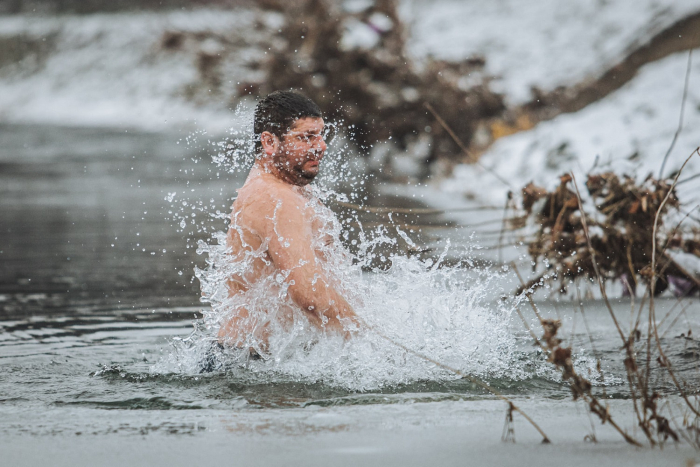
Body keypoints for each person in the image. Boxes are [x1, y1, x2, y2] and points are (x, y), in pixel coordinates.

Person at [216, 90, 360, 352]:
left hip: (255, 359)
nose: (321, 146)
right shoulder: (276, 199)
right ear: (270, 142)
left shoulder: (278, 186)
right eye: (306, 137)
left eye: (320, 135)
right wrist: (366, 340)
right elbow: (310, 296)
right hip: (249, 364)